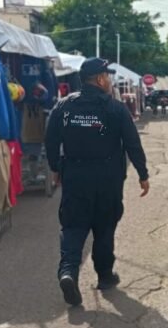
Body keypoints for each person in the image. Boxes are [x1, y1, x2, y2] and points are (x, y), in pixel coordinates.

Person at [45, 58, 150, 306]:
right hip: (108, 179)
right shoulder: (116, 108)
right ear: (101, 79)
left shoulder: (63, 107)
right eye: (108, 77)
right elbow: (132, 144)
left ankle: (68, 271)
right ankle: (104, 276)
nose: (110, 81)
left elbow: (50, 140)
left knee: (73, 226)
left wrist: (56, 167)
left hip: (75, 176)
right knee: (104, 227)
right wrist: (143, 174)